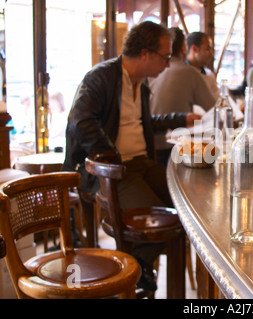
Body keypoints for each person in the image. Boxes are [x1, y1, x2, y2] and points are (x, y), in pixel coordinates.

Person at [63, 21, 199, 292]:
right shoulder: (102, 77)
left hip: (141, 164)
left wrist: (179, 119)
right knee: (157, 225)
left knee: (190, 204)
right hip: (111, 169)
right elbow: (81, 121)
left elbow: (142, 122)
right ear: (145, 53)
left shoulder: (142, 85)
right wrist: (111, 154)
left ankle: (136, 267)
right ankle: (130, 274)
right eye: (165, 56)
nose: (168, 64)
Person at [150, 27, 217, 165]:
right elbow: (215, 108)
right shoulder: (190, 73)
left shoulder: (152, 72)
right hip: (175, 148)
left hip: (151, 146)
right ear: (183, 48)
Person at [186, 31, 219, 99]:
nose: (211, 54)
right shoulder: (181, 74)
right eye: (207, 49)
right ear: (194, 49)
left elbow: (216, 102)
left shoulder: (209, 75)